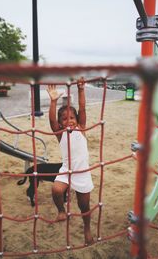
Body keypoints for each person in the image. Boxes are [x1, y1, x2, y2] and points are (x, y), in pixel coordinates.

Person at [47, 78, 94, 245]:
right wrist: (53, 101)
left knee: (84, 206)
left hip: (82, 172)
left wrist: (81, 90)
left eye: (72, 118)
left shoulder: (81, 127)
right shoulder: (60, 134)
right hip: (67, 169)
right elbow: (52, 121)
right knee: (56, 190)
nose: (70, 121)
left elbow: (82, 108)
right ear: (60, 123)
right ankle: (61, 210)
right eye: (65, 119)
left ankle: (87, 228)